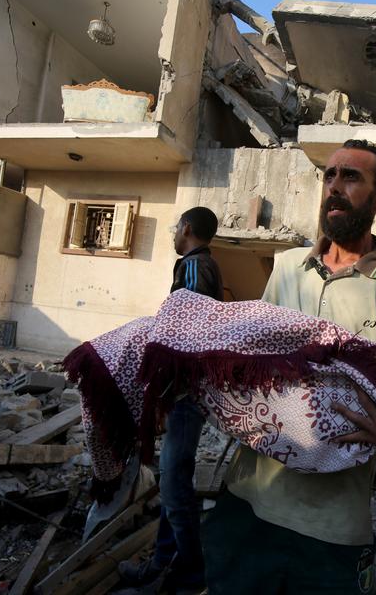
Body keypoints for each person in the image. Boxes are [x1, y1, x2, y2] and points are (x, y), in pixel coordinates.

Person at [201, 140, 376, 594]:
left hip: (332, 526)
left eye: (351, 177)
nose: (335, 187)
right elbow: (253, 360)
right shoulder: (287, 266)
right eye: (329, 176)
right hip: (248, 500)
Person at [118, 206, 224, 590]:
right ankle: (164, 561)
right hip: (182, 391)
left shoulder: (195, 267)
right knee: (171, 479)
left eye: (176, 228)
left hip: (186, 391)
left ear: (187, 228)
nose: (174, 235)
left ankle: (189, 574)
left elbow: (186, 330)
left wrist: (166, 387)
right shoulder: (199, 266)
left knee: (175, 483)